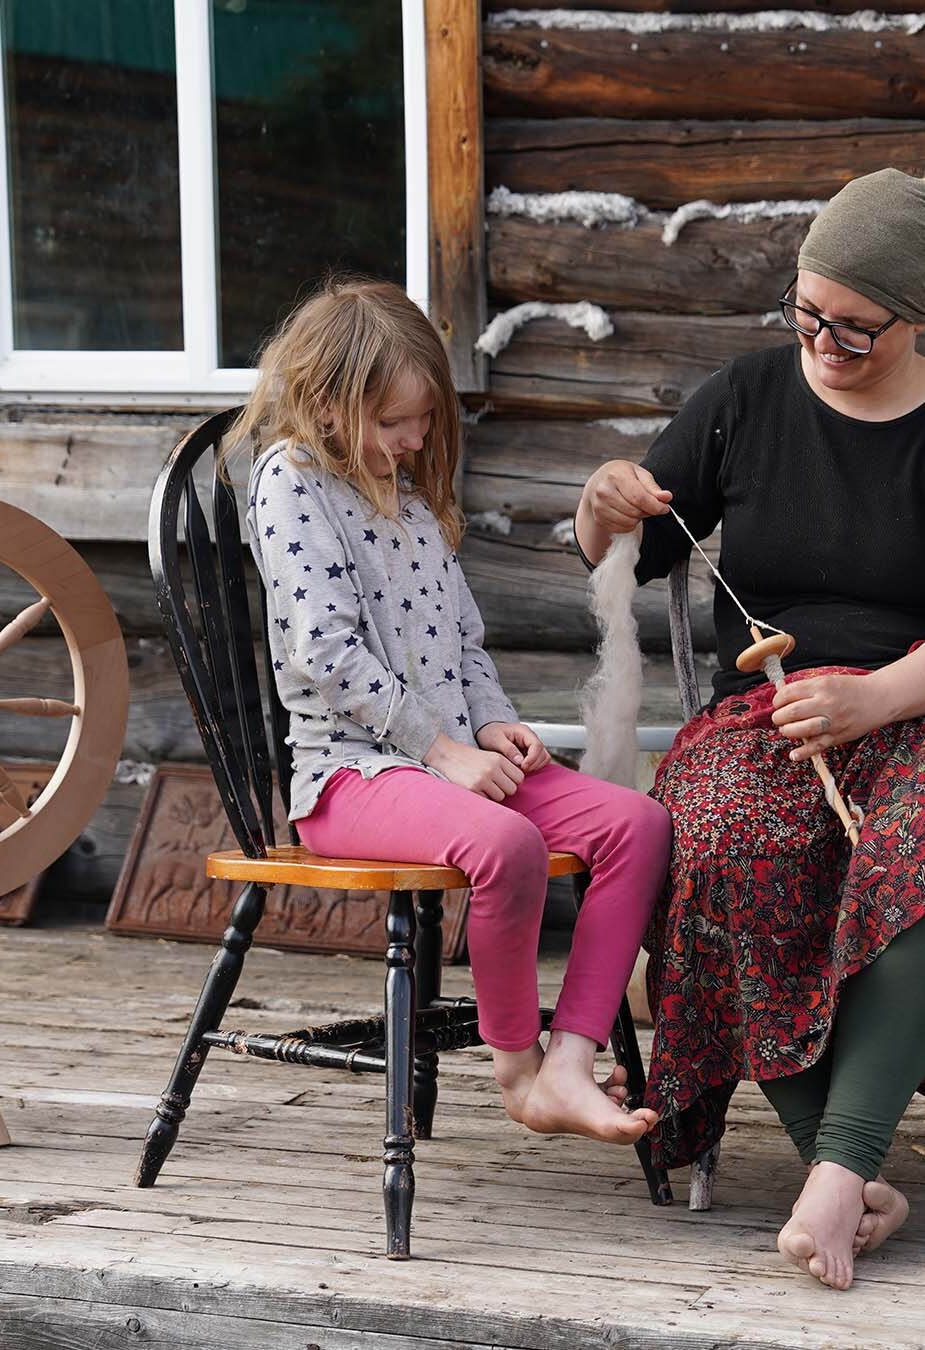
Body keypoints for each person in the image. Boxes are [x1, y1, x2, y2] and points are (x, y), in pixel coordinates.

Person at [573, 169, 925, 1290]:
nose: (824, 342)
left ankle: (836, 1170)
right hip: (768, 710)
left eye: (856, 328)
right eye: (807, 312)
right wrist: (601, 505)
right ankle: (845, 1165)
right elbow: (636, 548)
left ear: (920, 317)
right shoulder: (744, 397)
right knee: (720, 840)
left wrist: (875, 697)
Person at [238, 277, 670, 1145]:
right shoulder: (291, 482)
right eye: (394, 421)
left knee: (640, 824)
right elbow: (326, 654)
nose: (416, 438)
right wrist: (445, 751)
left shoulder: (408, 499)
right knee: (506, 845)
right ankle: (518, 1070)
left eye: (426, 418)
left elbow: (463, 642)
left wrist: (493, 723)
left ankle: (571, 1061)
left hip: (451, 761)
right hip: (351, 776)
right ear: (326, 404)